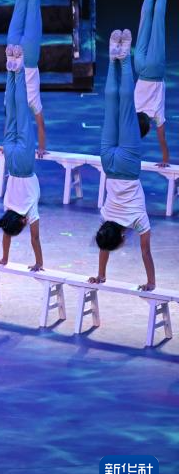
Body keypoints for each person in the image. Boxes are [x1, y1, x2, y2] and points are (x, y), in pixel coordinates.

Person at [89, 29, 155, 292]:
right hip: (108, 163)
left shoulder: (137, 221)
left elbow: (146, 253)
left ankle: (125, 56)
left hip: (127, 166)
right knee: (112, 108)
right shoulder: (106, 218)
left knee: (126, 107)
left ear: (122, 238)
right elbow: (103, 244)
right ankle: (112, 58)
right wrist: (99, 274)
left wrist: (151, 282)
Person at [0, 45, 43, 270]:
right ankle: (10, 69)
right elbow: (6, 233)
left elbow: (35, 239)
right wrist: (4, 258)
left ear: (22, 221)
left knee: (21, 111)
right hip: (11, 159)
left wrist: (39, 263)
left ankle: (18, 68)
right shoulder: (8, 206)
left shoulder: (28, 212)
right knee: (11, 112)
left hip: (24, 162)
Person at [6, 0, 48, 153]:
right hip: (23, 55)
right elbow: (40, 127)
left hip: (21, 53)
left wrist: (41, 148)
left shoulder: (16, 102)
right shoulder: (25, 103)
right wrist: (41, 148)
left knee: (26, 4)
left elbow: (37, 127)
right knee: (26, 4)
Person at [134, 0, 172, 167]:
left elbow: (162, 140)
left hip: (155, 70)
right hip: (139, 67)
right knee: (145, 21)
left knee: (158, 22)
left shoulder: (157, 117)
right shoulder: (131, 110)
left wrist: (165, 160)